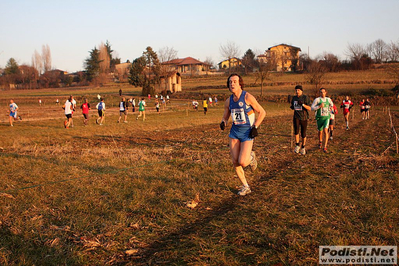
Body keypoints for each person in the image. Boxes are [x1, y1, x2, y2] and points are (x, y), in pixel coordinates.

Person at [220, 74, 266, 196]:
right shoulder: (228, 101)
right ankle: (245, 186)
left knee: (243, 162)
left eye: (235, 81)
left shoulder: (248, 97)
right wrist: (223, 122)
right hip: (234, 132)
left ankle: (251, 157)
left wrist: (255, 126)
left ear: (240, 83)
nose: (232, 84)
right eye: (230, 82)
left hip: (247, 132)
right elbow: (226, 116)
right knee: (235, 162)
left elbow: (262, 112)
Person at [290, 85, 311, 155]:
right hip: (296, 117)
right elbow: (293, 106)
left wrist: (302, 104)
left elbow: (309, 108)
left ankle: (303, 147)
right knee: (296, 132)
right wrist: (292, 106)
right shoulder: (294, 98)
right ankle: (297, 145)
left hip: (304, 117)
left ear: (301, 91)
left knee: (303, 133)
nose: (297, 91)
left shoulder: (305, 98)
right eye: (296, 90)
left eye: (298, 90)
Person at [311, 88, 334, 153]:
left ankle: (325, 147)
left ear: (326, 92)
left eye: (323, 92)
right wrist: (319, 106)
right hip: (319, 118)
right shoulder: (317, 100)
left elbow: (332, 105)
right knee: (320, 131)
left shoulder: (328, 99)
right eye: (321, 92)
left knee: (325, 130)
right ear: (319, 93)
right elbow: (312, 108)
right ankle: (320, 141)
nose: (322, 93)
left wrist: (331, 108)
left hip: (326, 117)